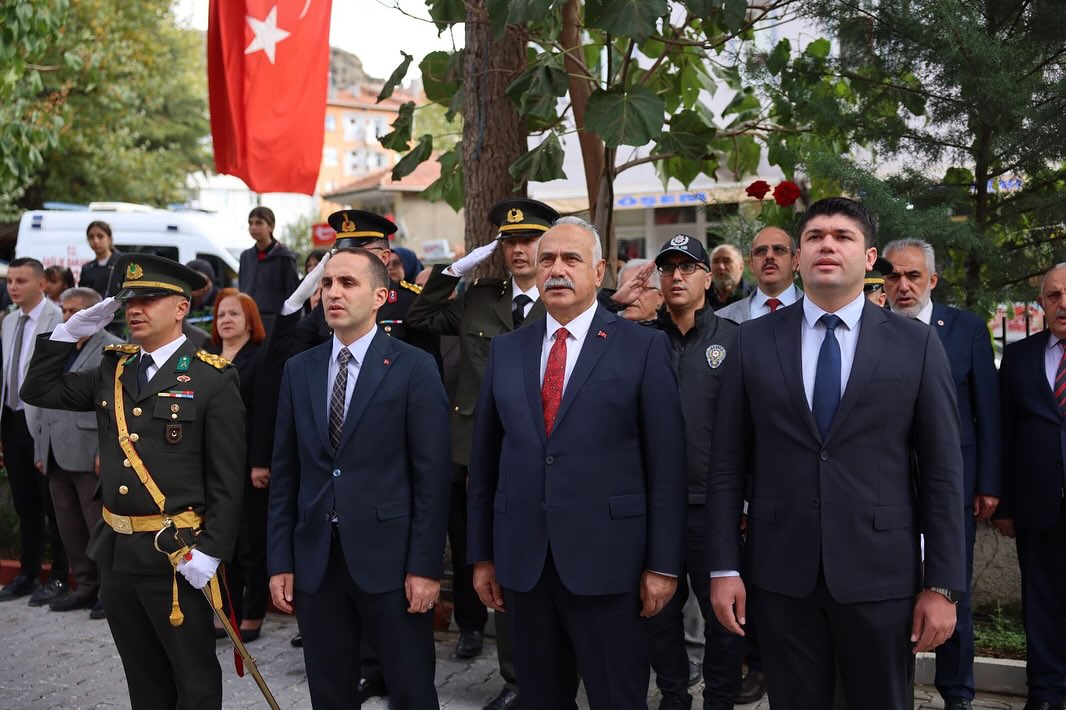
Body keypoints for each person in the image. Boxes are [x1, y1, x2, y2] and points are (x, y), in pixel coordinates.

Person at [707, 197, 967, 710]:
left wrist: (942, 585)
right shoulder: (752, 341)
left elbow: (942, 473)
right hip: (782, 574)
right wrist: (722, 568)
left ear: (869, 258)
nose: (827, 245)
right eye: (815, 237)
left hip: (881, 577)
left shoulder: (915, 345)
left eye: (843, 236)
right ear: (798, 257)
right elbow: (727, 465)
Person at [467, 216, 687, 710]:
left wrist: (663, 565)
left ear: (599, 270)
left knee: (617, 697)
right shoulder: (506, 350)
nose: (557, 269)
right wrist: (482, 555)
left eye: (571, 259)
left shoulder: (643, 347)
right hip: (525, 564)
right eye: (547, 259)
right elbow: (485, 463)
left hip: (611, 564)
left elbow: (667, 467)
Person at [21, 253, 246, 709]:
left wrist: (211, 552)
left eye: (149, 299)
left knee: (195, 680)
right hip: (118, 551)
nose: (135, 309)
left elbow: (228, 478)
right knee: (143, 680)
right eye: (129, 301)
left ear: (181, 307)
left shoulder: (210, 377)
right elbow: (38, 390)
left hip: (177, 555)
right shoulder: (114, 368)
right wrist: (68, 333)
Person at [267, 247, 451, 710]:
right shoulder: (300, 369)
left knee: (411, 690)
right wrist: (281, 561)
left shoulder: (414, 367)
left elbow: (432, 478)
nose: (333, 293)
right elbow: (285, 474)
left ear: (380, 297)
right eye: (328, 283)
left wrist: (425, 567)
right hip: (317, 561)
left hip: (392, 562)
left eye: (348, 283)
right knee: (329, 692)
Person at [407, 197, 558, 710]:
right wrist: (453, 271)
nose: (519, 250)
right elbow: (422, 315)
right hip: (483, 452)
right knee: (503, 564)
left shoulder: (569, 298)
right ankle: (516, 680)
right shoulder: (479, 297)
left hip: (554, 449)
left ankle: (562, 672)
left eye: (529, 240)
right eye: (510, 241)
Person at [883, 238, 1001, 710]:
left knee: (951, 589)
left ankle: (957, 693)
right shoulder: (872, 327)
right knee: (890, 595)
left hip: (952, 486)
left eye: (913, 276)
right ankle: (894, 691)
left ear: (932, 280)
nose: (903, 286)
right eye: (894, 276)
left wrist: (988, 482)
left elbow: (987, 411)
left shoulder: (966, 329)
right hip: (888, 488)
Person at [644, 235, 744, 710]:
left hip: (715, 508)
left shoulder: (735, 340)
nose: (677, 276)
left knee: (724, 615)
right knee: (657, 612)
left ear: (707, 277)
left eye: (687, 268)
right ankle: (674, 695)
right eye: (668, 269)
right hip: (654, 507)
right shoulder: (642, 341)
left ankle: (720, 700)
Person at [992, 263, 1065, 710]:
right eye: (1054, 295)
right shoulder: (1020, 357)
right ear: (1042, 304)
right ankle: (1046, 693)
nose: (1063, 303)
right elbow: (1003, 431)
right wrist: (1004, 504)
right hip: (1039, 505)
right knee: (1041, 603)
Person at [33, 287, 121, 619]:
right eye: (65, 310)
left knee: (98, 525)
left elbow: (116, 407)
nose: (67, 317)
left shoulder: (112, 348)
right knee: (69, 525)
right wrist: (41, 446)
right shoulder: (59, 345)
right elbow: (42, 396)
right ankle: (84, 585)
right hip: (55, 450)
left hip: (90, 451)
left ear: (93, 314)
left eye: (75, 311)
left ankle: (108, 590)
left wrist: (105, 452)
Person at [209, 288, 277, 643]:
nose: (226, 320)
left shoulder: (259, 359)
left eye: (234, 314)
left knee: (250, 543)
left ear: (250, 321)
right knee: (223, 543)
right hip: (213, 465)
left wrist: (260, 462)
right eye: (221, 314)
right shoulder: (206, 359)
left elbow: (265, 414)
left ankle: (252, 612)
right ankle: (228, 611)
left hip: (247, 465)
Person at [0, 257, 68, 606]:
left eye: (20, 281)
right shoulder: (9, 320)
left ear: (41, 284)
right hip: (12, 420)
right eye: (10, 280)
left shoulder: (58, 318)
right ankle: (27, 574)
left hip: (43, 424)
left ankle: (60, 576)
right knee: (24, 502)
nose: (13, 287)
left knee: (52, 506)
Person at [716, 227, 801, 323]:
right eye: (761, 251)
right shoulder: (721, 319)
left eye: (778, 249)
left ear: (795, 261)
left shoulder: (815, 308)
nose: (769, 256)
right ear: (751, 264)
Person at [238, 206, 300, 335]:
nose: (253, 227)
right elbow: (242, 289)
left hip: (274, 325)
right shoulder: (246, 256)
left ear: (271, 226)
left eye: (259, 223)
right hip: (248, 321)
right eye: (250, 223)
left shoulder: (285, 258)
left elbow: (293, 297)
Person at [79, 220, 121, 298]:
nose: (95, 241)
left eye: (100, 236)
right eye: (91, 237)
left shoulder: (122, 263)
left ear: (109, 239)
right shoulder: (87, 269)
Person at [615, 258, 663, 324]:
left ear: (660, 297)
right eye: (625, 289)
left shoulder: (671, 329)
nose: (630, 297)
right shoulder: (605, 325)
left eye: (639, 289)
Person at [706, 244, 753, 311]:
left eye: (727, 261)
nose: (721, 267)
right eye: (715, 261)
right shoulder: (700, 297)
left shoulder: (755, 297)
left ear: (741, 267)